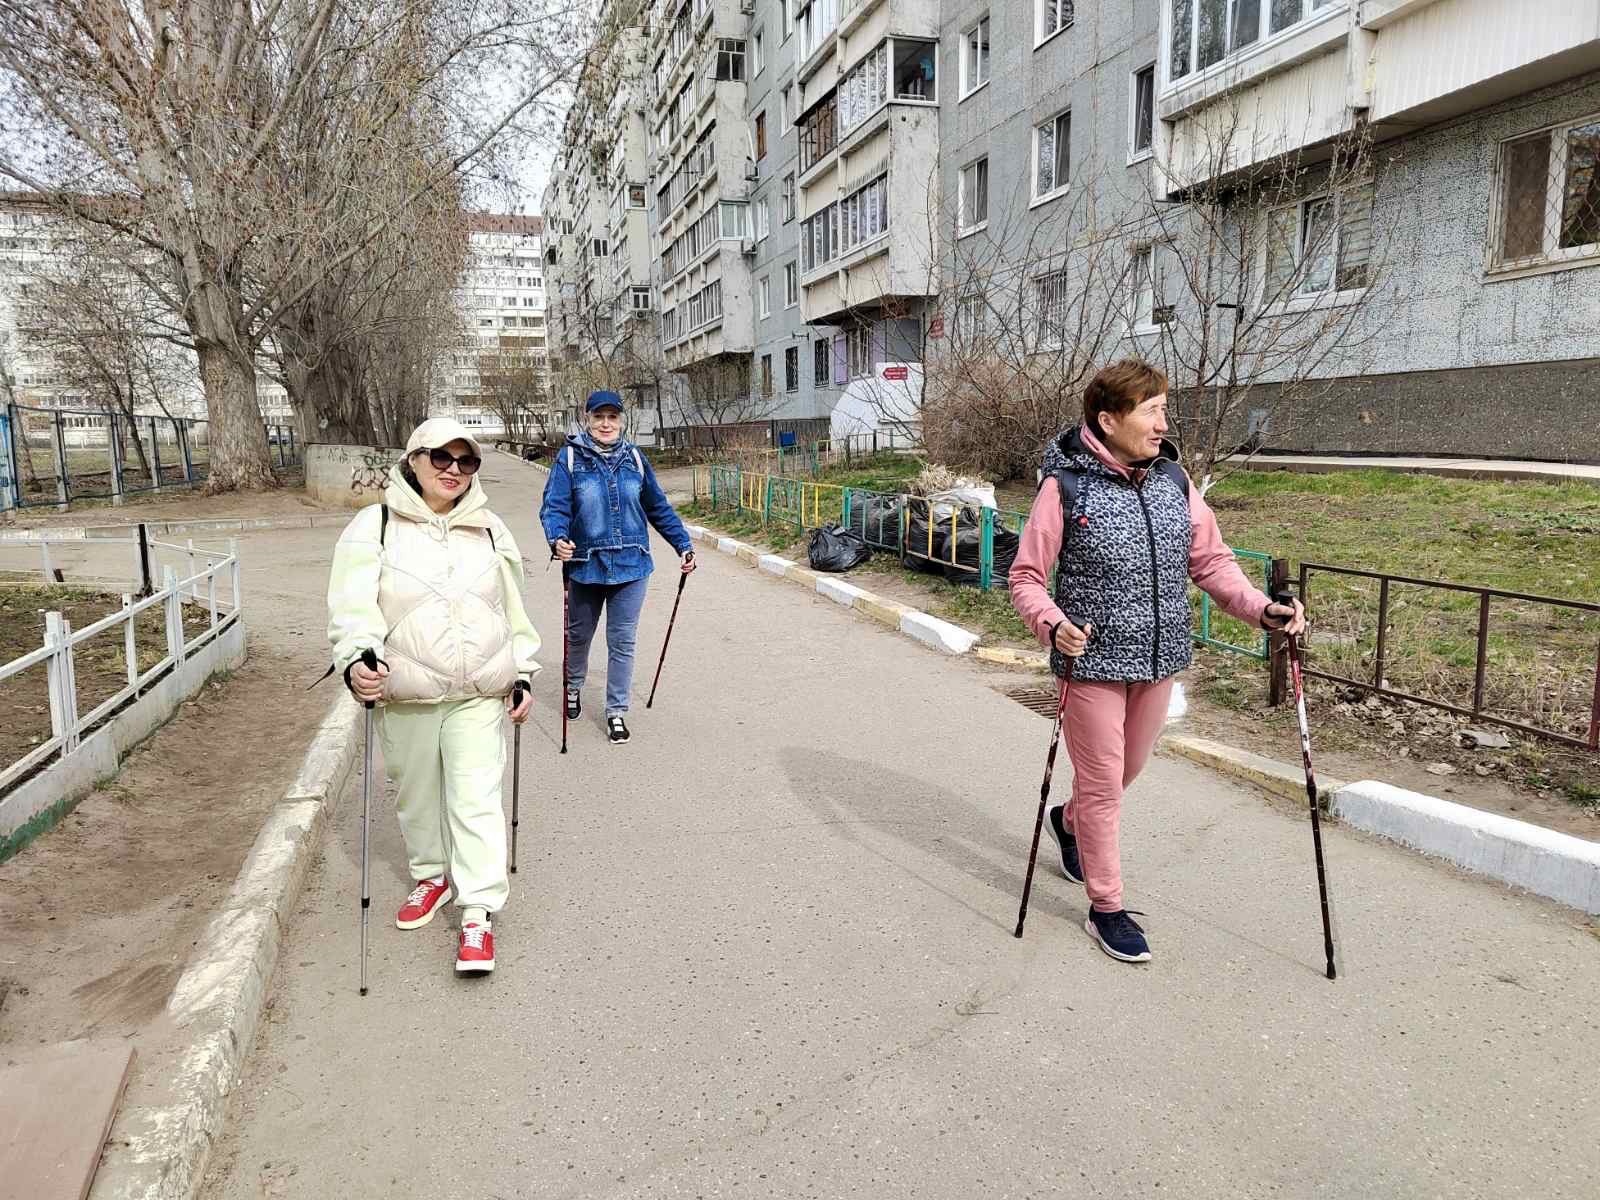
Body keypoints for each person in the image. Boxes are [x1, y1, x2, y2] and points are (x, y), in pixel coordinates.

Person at [1010, 359, 1305, 965]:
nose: (1163, 424)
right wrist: (1053, 625)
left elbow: (1212, 562)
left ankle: (1069, 822)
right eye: (1151, 411)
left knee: (1126, 772)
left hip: (1159, 658)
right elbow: (1026, 578)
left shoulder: (1174, 481)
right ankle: (1107, 907)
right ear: (1108, 420)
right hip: (1090, 662)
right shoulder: (1064, 488)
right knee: (1104, 786)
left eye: (1163, 410)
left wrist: (1261, 610)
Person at [327, 417, 540, 976]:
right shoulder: (374, 525)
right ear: (414, 459)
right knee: (417, 798)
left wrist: (523, 672)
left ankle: (478, 912)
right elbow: (352, 607)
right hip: (408, 693)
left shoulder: (490, 528)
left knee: (475, 798)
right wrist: (356, 659)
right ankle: (431, 876)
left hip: (478, 694)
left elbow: (512, 609)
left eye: (466, 461)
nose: (453, 470)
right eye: (441, 457)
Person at [539, 390, 696, 745]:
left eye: (612, 417)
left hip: (631, 564)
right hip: (586, 565)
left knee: (622, 641)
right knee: (579, 636)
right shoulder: (570, 459)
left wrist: (683, 544)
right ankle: (573, 686)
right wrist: (557, 538)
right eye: (599, 417)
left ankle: (616, 711)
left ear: (621, 421)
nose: (606, 424)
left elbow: (658, 507)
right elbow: (555, 507)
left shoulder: (635, 459)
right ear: (587, 419)